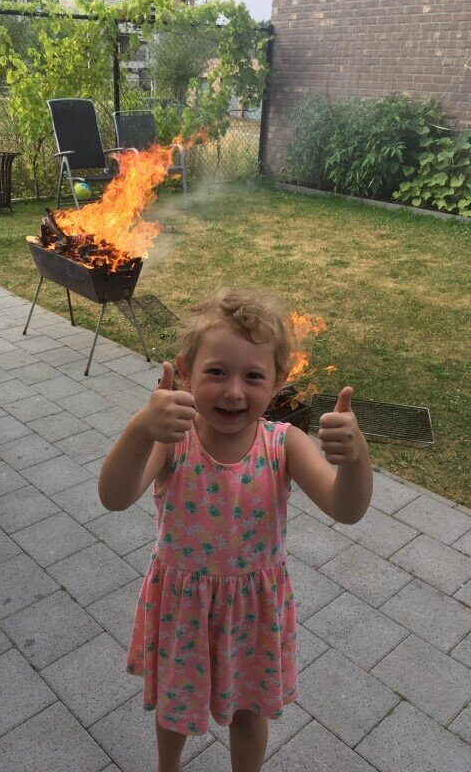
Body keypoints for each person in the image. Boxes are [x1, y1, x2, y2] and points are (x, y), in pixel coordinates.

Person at [98, 288, 372, 772]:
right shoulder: (173, 440)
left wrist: (356, 459)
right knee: (174, 705)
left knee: (249, 709)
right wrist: (140, 428)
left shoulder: (286, 444)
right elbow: (114, 497)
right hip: (183, 605)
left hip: (253, 612)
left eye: (253, 376)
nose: (233, 391)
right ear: (186, 372)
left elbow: (345, 508)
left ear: (279, 380)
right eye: (217, 372)